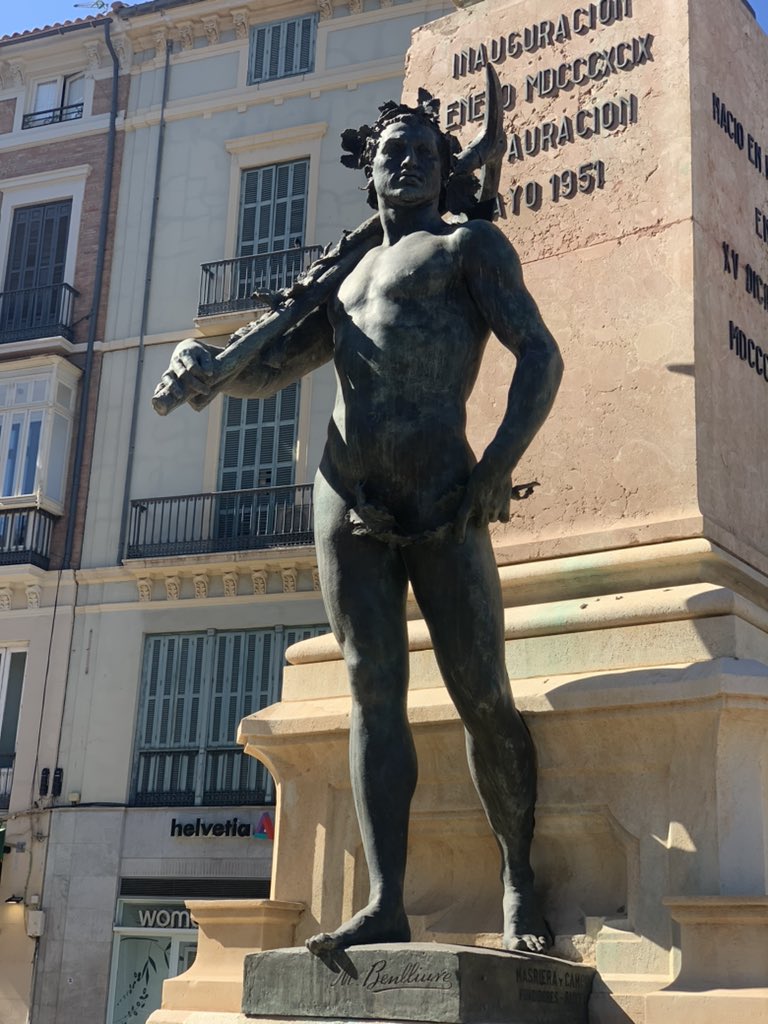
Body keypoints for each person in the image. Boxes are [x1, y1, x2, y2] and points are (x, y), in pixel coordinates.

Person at [162, 96, 563, 955]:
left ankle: (519, 880)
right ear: (369, 168)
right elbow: (266, 369)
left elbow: (540, 353)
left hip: (446, 498)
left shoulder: (468, 246)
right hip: (346, 496)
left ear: (445, 167)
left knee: (480, 692)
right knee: (370, 693)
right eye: (393, 150)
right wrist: (203, 366)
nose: (408, 162)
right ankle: (384, 899)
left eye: (424, 149)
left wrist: (494, 471)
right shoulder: (340, 279)